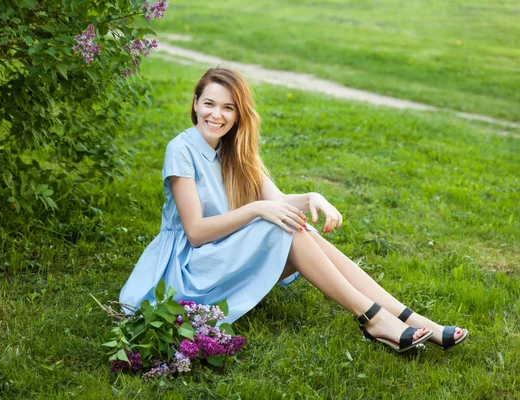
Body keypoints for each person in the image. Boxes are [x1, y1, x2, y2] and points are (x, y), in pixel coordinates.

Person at [119, 67, 468, 353]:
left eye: (228, 108)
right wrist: (257, 209)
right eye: (209, 103)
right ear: (195, 103)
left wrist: (312, 197)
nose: (217, 115)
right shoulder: (180, 150)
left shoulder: (234, 150)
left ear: (240, 114)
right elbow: (195, 233)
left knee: (295, 224)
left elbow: (279, 200)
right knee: (282, 226)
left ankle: (413, 319)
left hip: (219, 255)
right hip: (187, 269)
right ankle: (374, 319)